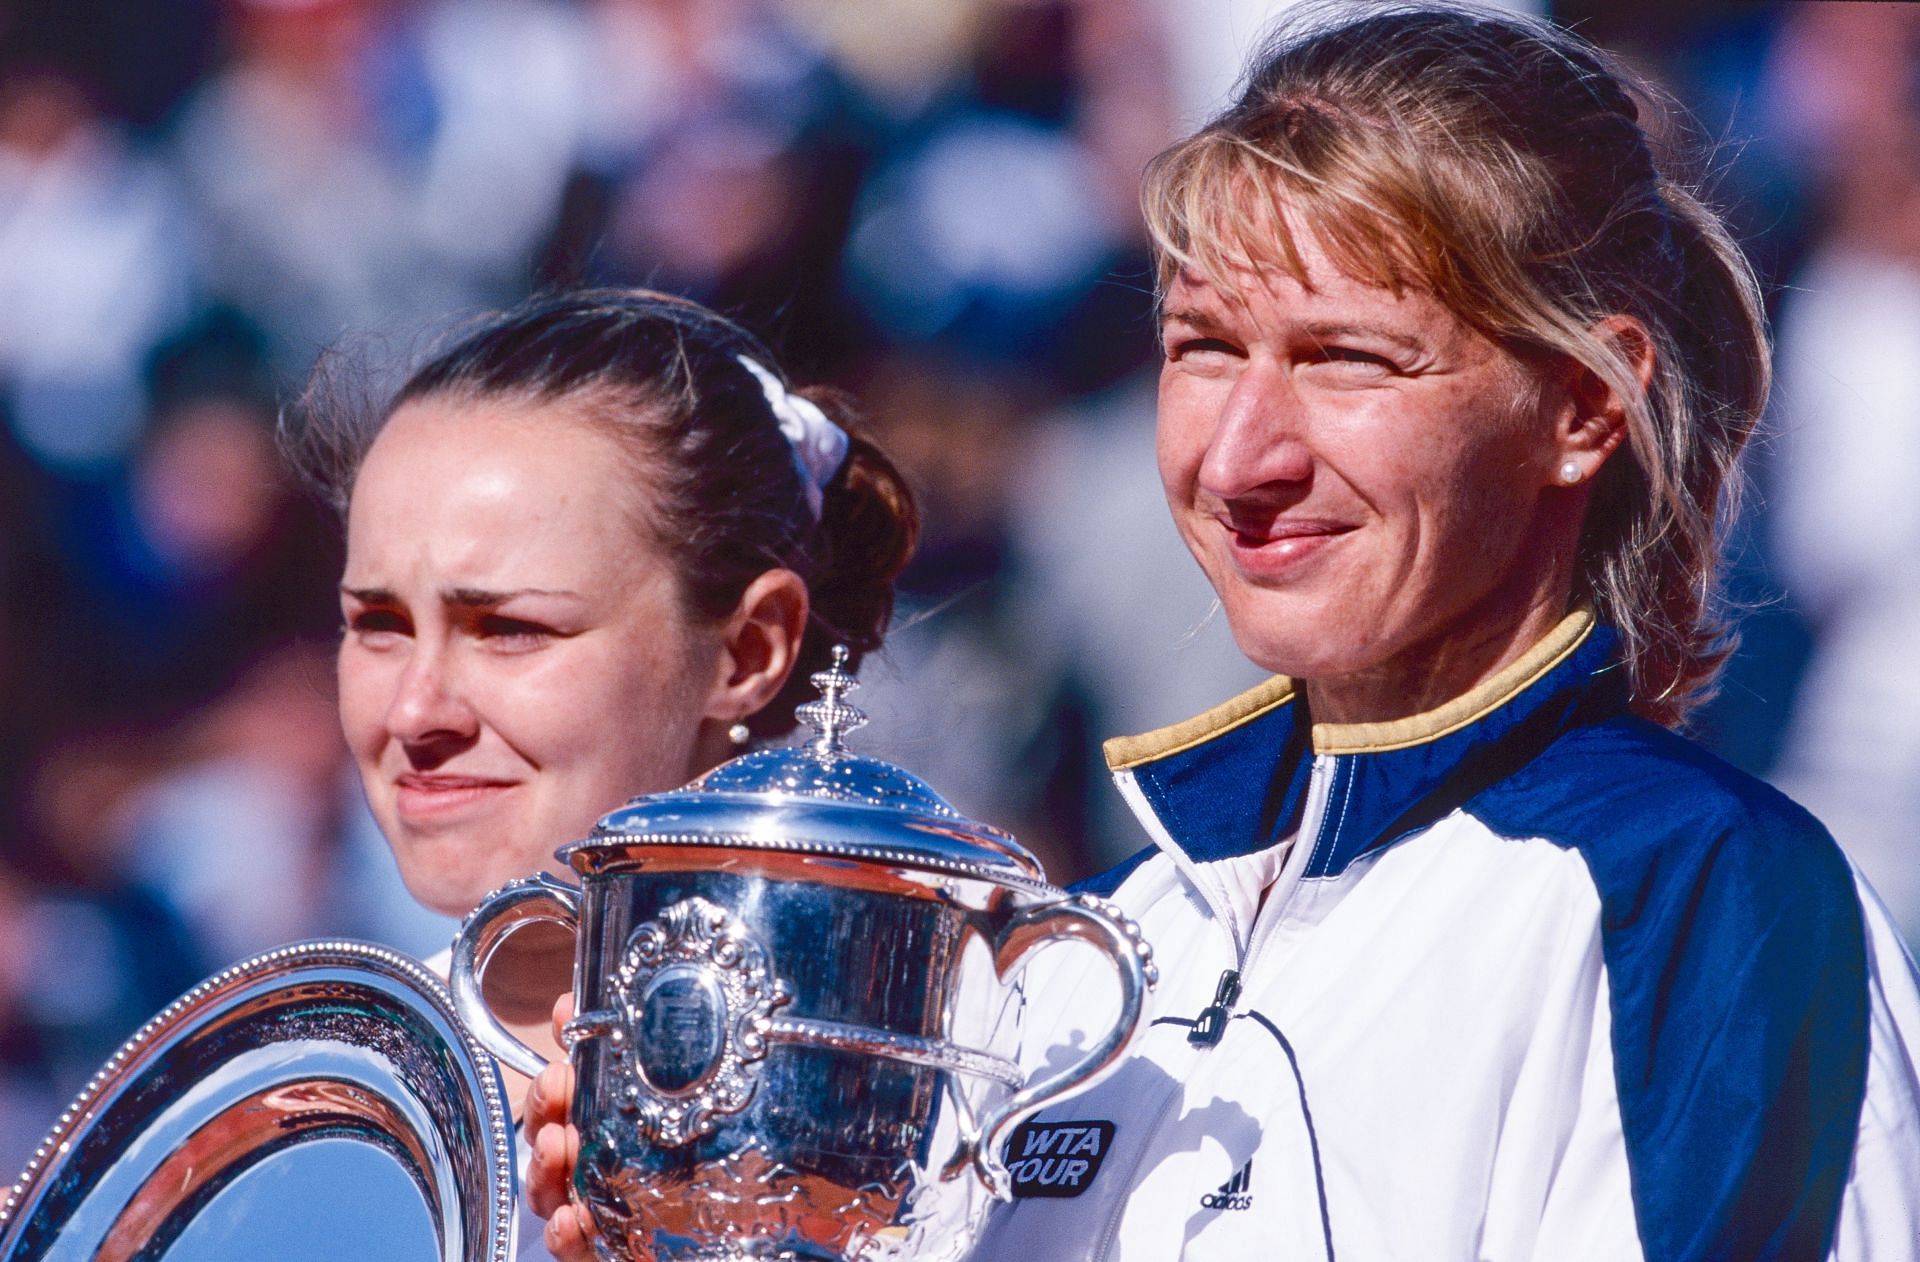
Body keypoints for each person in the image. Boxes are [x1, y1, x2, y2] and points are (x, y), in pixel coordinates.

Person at [960, 5, 1920, 1260]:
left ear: (1581, 405)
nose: (1241, 458)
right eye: (1201, 347)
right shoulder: (1088, 948)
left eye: (1347, 358)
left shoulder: (1699, 899)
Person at [288, 287, 916, 1257]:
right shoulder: (286, 1111)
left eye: (509, 628)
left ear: (747, 650)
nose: (413, 713)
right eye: (378, 623)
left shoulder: (942, 1095)